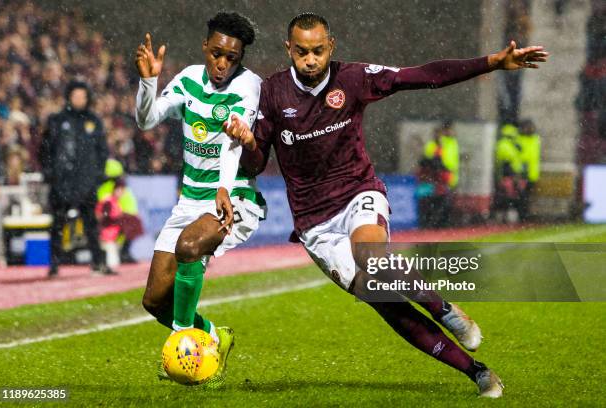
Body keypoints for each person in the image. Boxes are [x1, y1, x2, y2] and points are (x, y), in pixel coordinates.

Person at [225, 13, 549, 398]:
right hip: (314, 222)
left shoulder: (354, 78)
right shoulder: (274, 93)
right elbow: (256, 164)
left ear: (331, 46)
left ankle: (443, 308)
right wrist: (247, 142)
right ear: (288, 49)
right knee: (386, 302)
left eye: (316, 51)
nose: (309, 60)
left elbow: (423, 75)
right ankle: (476, 372)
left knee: (371, 255)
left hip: (356, 191)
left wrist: (492, 62)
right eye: (300, 52)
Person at [134, 12, 265, 387]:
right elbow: (147, 119)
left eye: (232, 58)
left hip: (234, 196)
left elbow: (233, 142)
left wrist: (224, 187)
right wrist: (148, 81)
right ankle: (213, 334)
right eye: (217, 53)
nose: (223, 63)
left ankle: (183, 345)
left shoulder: (248, 86)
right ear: (205, 47)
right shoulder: (189, 79)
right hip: (190, 199)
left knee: (190, 246)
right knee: (156, 301)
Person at [39, 80, 111, 277]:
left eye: (82, 96)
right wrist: (50, 172)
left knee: (91, 225)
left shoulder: (94, 121)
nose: (79, 99)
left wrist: (96, 175)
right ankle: (54, 265)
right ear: (69, 97)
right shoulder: (56, 120)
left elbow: (102, 151)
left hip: (86, 183)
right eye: (76, 96)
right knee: (57, 225)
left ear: (87, 98)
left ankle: (98, 261)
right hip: (61, 182)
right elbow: (45, 149)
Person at [97, 159, 143, 263]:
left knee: (133, 223)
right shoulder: (110, 189)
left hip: (116, 217)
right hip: (110, 219)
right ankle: (124, 252)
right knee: (131, 223)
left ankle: (124, 252)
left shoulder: (104, 187)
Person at [420, 120, 459, 227]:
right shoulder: (439, 144)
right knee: (436, 200)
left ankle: (441, 223)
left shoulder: (451, 143)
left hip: (447, 175)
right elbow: (428, 160)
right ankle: (434, 223)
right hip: (438, 176)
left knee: (445, 200)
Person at [493, 123, 524, 223]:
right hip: (509, 175)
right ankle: (504, 215)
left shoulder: (510, 144)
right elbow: (505, 163)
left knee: (510, 195)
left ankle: (506, 215)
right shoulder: (504, 145)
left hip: (512, 174)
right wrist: (512, 175)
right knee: (507, 196)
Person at [516, 118, 541, 221]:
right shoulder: (519, 140)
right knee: (522, 197)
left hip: (532, 173)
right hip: (522, 173)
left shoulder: (536, 139)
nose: (530, 129)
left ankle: (526, 216)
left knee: (528, 197)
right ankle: (522, 216)